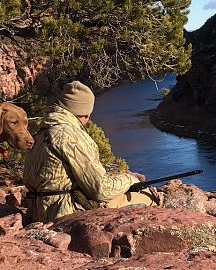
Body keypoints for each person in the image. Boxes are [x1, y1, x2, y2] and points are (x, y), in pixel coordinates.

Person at [23, 81, 158, 223]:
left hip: (38, 211)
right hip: (66, 212)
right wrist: (131, 179)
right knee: (147, 196)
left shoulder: (42, 131)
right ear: (85, 114)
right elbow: (100, 190)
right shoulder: (71, 136)